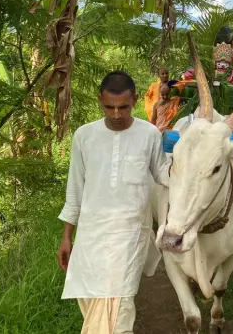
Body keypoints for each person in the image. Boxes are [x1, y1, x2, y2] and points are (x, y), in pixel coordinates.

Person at [57, 71, 170, 334]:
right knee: (92, 306)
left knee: (119, 314)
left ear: (135, 100)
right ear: (100, 100)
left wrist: (192, 161)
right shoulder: (84, 136)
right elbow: (75, 190)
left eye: (123, 107)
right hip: (91, 238)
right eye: (110, 107)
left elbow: (164, 175)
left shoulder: (149, 134)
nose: (117, 114)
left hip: (130, 235)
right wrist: (67, 237)